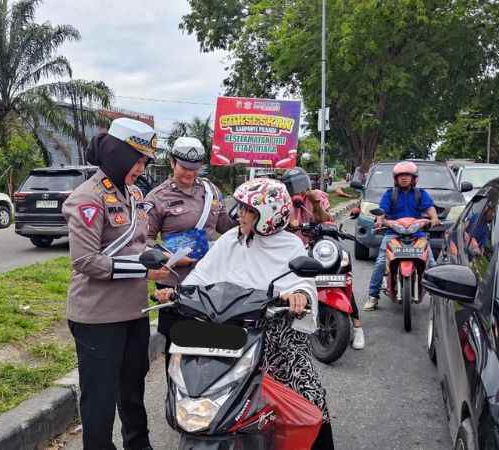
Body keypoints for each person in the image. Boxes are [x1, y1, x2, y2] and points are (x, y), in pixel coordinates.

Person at [155, 178, 335, 449]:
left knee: (310, 396)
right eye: (240, 208)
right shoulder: (230, 240)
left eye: (248, 210)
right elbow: (201, 276)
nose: (240, 214)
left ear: (270, 215)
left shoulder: (290, 246)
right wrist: (177, 292)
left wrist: (297, 297)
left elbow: (302, 284)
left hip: (275, 336)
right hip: (230, 332)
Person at [62, 117, 169, 450]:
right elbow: (85, 261)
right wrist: (143, 271)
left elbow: (138, 244)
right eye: (136, 161)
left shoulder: (134, 193)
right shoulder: (87, 198)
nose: (141, 168)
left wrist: (162, 260)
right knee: (100, 400)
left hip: (133, 312)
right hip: (97, 318)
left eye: (145, 162)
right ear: (119, 155)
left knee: (132, 390)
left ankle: (139, 445)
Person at [144, 136, 235, 370]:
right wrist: (168, 258)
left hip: (210, 283)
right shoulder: (157, 197)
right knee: (178, 352)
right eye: (184, 168)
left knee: (210, 351)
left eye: (195, 169)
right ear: (172, 162)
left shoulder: (211, 191)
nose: (190, 174)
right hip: (175, 285)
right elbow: (142, 240)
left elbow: (225, 225)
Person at [283, 167, 365, 350]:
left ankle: (357, 326)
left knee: (342, 277)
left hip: (322, 246)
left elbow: (326, 220)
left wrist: (315, 203)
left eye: (300, 185)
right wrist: (289, 224)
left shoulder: (317, 196)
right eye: (292, 187)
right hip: (296, 249)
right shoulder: (284, 202)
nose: (297, 190)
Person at [363, 161, 441, 311]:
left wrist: (434, 218)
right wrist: (380, 221)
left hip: (417, 233)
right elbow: (382, 211)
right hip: (393, 233)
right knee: (380, 262)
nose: (404, 178)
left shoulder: (420, 194)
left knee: (431, 263)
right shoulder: (389, 194)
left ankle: (438, 298)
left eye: (408, 175)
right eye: (401, 176)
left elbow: (429, 208)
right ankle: (373, 296)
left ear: (414, 178)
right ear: (396, 178)